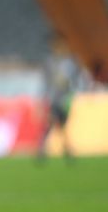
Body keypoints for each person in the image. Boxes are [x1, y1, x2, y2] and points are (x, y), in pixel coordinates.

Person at [36, 34, 84, 162]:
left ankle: (64, 149)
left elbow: (76, 80)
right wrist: (42, 99)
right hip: (54, 99)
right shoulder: (50, 62)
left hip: (65, 100)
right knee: (51, 122)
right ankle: (44, 149)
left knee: (60, 125)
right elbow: (46, 83)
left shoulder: (71, 62)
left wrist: (74, 92)